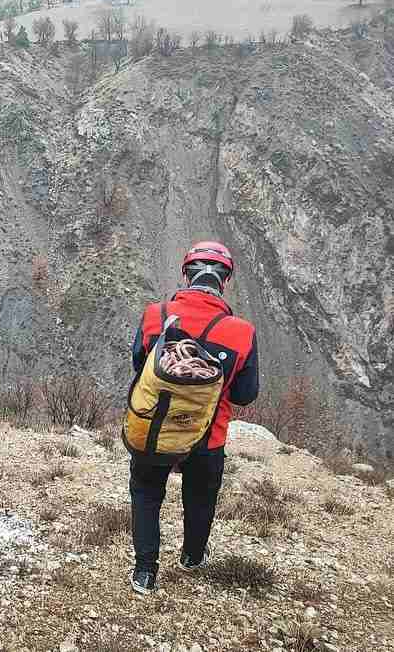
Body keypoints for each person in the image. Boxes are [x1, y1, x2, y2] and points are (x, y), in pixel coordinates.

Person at [128, 241, 259, 595]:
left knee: (146, 492)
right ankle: (192, 557)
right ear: (225, 281)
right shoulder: (242, 332)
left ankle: (145, 572)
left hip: (156, 427)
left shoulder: (155, 314)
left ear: (186, 274)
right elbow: (246, 395)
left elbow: (141, 367)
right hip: (208, 434)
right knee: (200, 497)